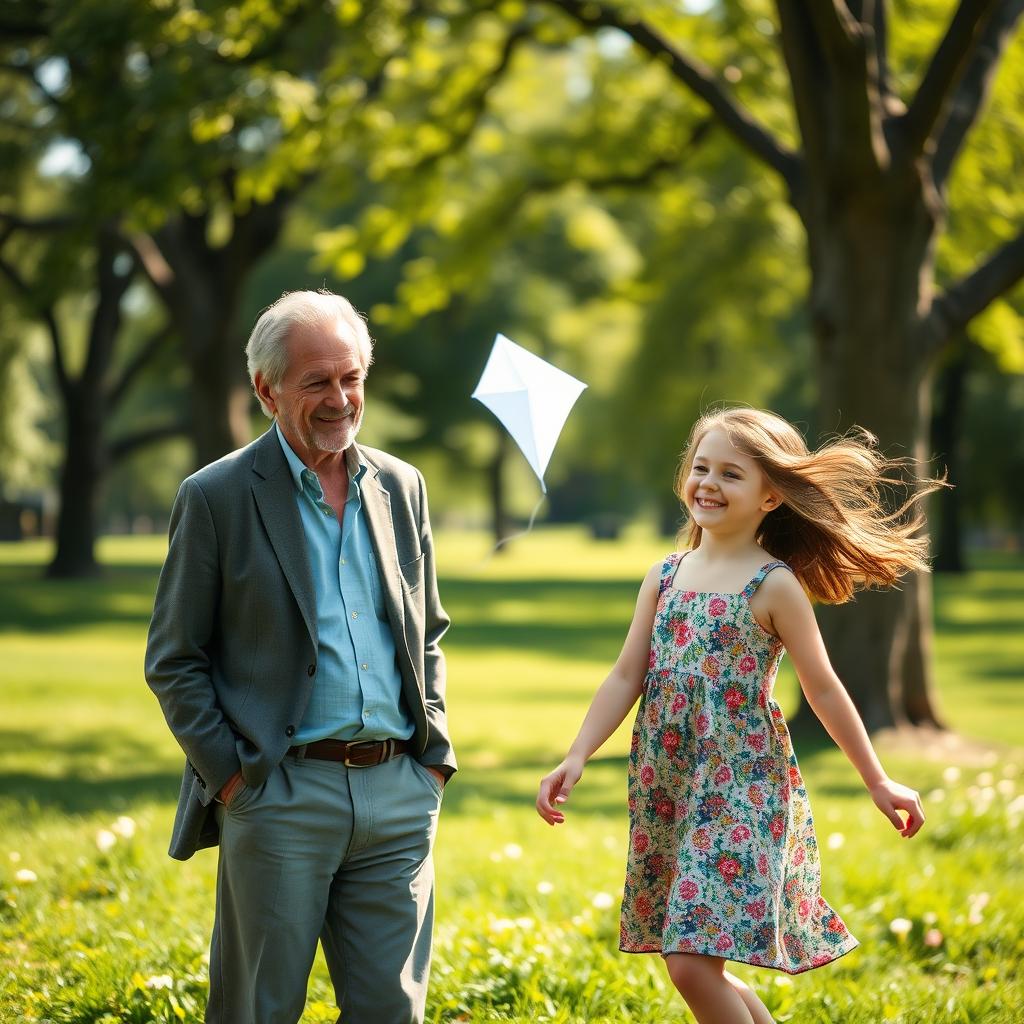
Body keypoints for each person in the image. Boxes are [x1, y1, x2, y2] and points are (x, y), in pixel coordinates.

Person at [536, 407, 934, 1024]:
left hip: (742, 787)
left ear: (772, 495)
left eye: (731, 473)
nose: (708, 484)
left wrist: (877, 779)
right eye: (700, 468)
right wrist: (576, 754)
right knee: (701, 966)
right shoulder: (664, 576)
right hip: (668, 785)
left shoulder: (774, 586)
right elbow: (626, 675)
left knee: (691, 963)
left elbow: (823, 690)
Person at [145, 289, 455, 1024]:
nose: (340, 398)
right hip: (278, 794)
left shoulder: (401, 486)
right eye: (316, 381)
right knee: (259, 1009)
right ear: (266, 389)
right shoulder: (216, 496)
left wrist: (432, 759)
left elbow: (427, 631)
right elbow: (174, 658)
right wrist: (231, 778)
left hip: (398, 794)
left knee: (391, 1012)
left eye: (351, 378)